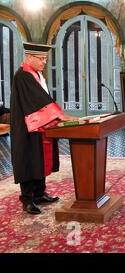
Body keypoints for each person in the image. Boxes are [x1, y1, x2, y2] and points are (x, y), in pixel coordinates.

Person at [10, 42, 77, 215]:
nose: (43, 62)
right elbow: (37, 100)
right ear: (29, 57)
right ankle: (27, 199)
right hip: (28, 126)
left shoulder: (37, 74)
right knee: (29, 160)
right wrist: (59, 115)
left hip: (39, 123)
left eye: (45, 59)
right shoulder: (23, 75)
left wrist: (56, 114)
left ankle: (39, 194)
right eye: (41, 59)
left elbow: (43, 98)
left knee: (39, 159)